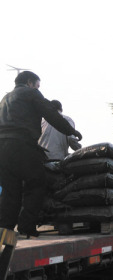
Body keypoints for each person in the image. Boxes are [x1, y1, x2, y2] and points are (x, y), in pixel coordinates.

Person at [0, 71, 82, 238]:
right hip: (22, 144)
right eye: (37, 85)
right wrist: (71, 131)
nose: (38, 88)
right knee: (36, 182)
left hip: (2, 148)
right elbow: (51, 114)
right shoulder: (31, 93)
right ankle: (27, 226)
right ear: (30, 82)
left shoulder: (4, 99)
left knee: (10, 189)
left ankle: (5, 228)